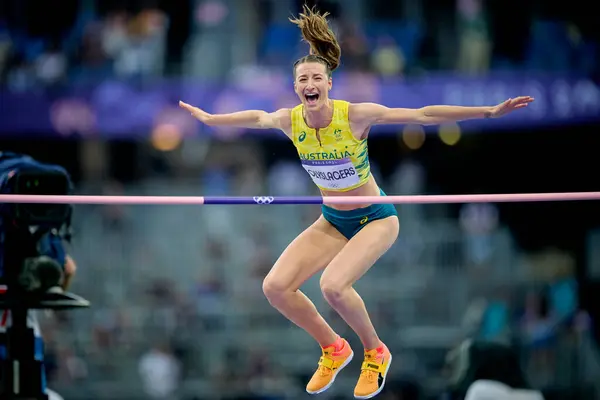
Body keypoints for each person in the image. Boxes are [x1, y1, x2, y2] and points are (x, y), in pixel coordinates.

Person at [179, 6, 533, 398]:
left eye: (316, 77)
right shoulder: (290, 119)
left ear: (328, 83)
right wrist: (212, 120)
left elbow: (423, 114)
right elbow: (258, 118)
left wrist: (487, 111)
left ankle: (376, 352)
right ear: (296, 87)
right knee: (276, 287)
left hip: (376, 218)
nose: (309, 84)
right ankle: (333, 347)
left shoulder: (356, 116)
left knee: (333, 285)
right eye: (302, 79)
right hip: (332, 220)